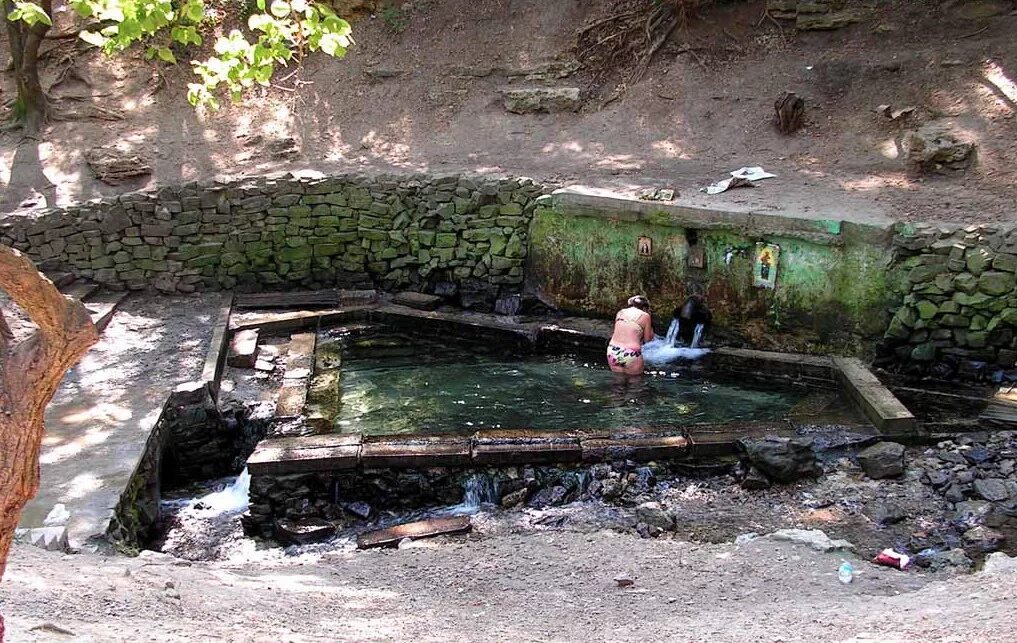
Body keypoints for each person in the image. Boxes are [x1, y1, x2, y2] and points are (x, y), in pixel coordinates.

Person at [607, 295, 654, 375]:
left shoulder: (620, 312)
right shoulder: (645, 316)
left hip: (613, 350)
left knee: (618, 383)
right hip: (631, 353)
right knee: (635, 384)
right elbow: (647, 340)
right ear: (645, 308)